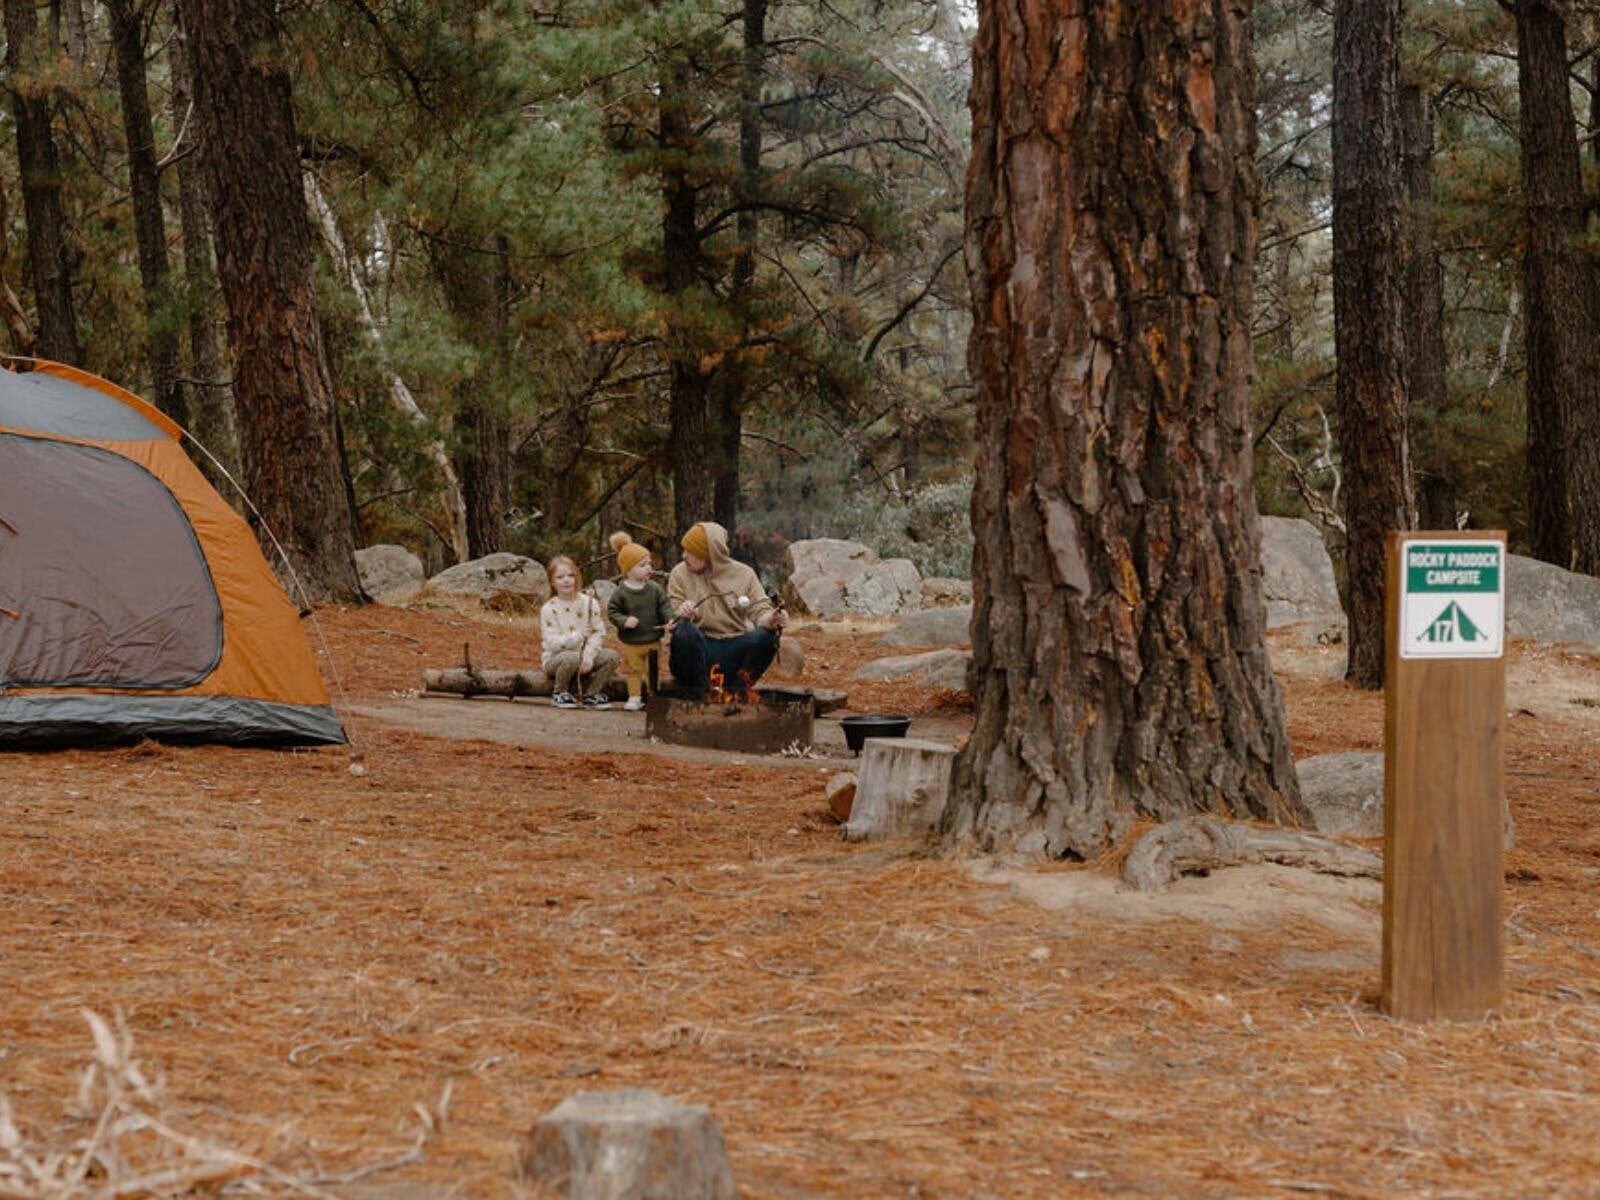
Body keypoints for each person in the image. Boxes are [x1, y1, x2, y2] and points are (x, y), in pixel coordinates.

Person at [666, 521, 787, 696]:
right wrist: (682, 615)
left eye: (691, 552)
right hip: (699, 650)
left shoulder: (744, 574)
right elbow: (672, 613)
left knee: (766, 638)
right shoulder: (679, 574)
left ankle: (737, 694)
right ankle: (702, 694)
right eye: (684, 550)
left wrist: (772, 619)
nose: (684, 556)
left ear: (710, 554)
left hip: (733, 649)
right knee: (684, 633)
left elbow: (760, 610)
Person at [605, 532, 674, 711]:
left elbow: (664, 606)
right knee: (634, 670)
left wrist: (669, 620)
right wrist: (624, 620)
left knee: (653, 670)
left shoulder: (655, 589)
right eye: (642, 565)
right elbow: (612, 612)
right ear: (628, 570)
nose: (649, 568)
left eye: (649, 563)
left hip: (653, 640)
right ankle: (634, 697)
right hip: (631, 642)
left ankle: (653, 696)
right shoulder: (621, 592)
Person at [539, 555, 620, 709]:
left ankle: (592, 694)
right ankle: (559, 692)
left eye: (571, 575)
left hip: (585, 657)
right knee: (572, 658)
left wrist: (588, 656)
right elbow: (552, 643)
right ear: (552, 582)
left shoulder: (589, 603)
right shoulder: (549, 609)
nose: (566, 580)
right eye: (560, 577)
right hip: (557, 659)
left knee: (612, 656)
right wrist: (578, 636)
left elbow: (598, 633)